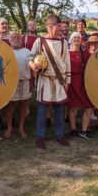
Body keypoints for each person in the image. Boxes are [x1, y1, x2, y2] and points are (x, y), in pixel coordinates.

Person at [29, 14, 71, 149]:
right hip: (45, 80)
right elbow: (31, 56)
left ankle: (60, 135)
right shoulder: (40, 41)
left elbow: (67, 63)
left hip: (60, 81)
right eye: (58, 27)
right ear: (50, 27)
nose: (61, 29)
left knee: (59, 110)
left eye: (61, 26)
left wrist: (67, 81)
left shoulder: (64, 42)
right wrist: (33, 65)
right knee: (42, 111)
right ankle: (40, 137)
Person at [66, 32, 93, 139]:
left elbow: (92, 64)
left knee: (89, 106)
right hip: (71, 81)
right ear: (71, 40)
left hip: (83, 81)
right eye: (74, 37)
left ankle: (84, 130)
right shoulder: (66, 53)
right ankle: (73, 129)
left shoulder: (85, 53)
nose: (77, 39)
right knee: (72, 106)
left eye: (78, 37)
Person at [5, 32, 31, 139]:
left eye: (18, 37)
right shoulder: (7, 51)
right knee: (10, 106)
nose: (16, 39)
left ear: (21, 40)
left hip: (24, 82)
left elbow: (31, 65)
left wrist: (32, 80)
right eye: (13, 37)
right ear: (10, 40)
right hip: (11, 83)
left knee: (24, 105)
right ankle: (9, 127)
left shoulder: (26, 51)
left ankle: (21, 127)